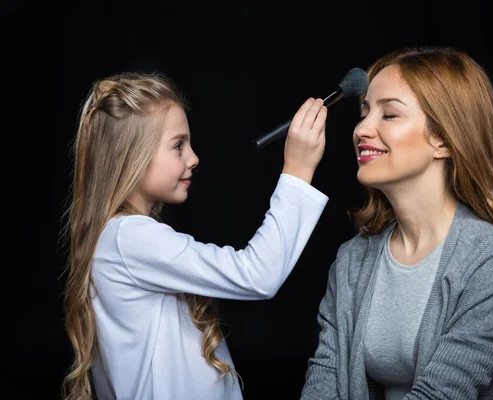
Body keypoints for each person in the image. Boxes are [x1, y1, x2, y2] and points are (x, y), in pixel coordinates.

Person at [300, 46, 493, 400]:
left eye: (388, 115)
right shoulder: (352, 261)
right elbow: (325, 379)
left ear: (444, 140)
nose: (362, 129)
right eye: (364, 112)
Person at [60, 71, 329, 400]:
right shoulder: (129, 237)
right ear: (132, 155)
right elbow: (257, 275)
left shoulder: (120, 239)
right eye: (178, 146)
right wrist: (298, 172)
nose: (194, 158)